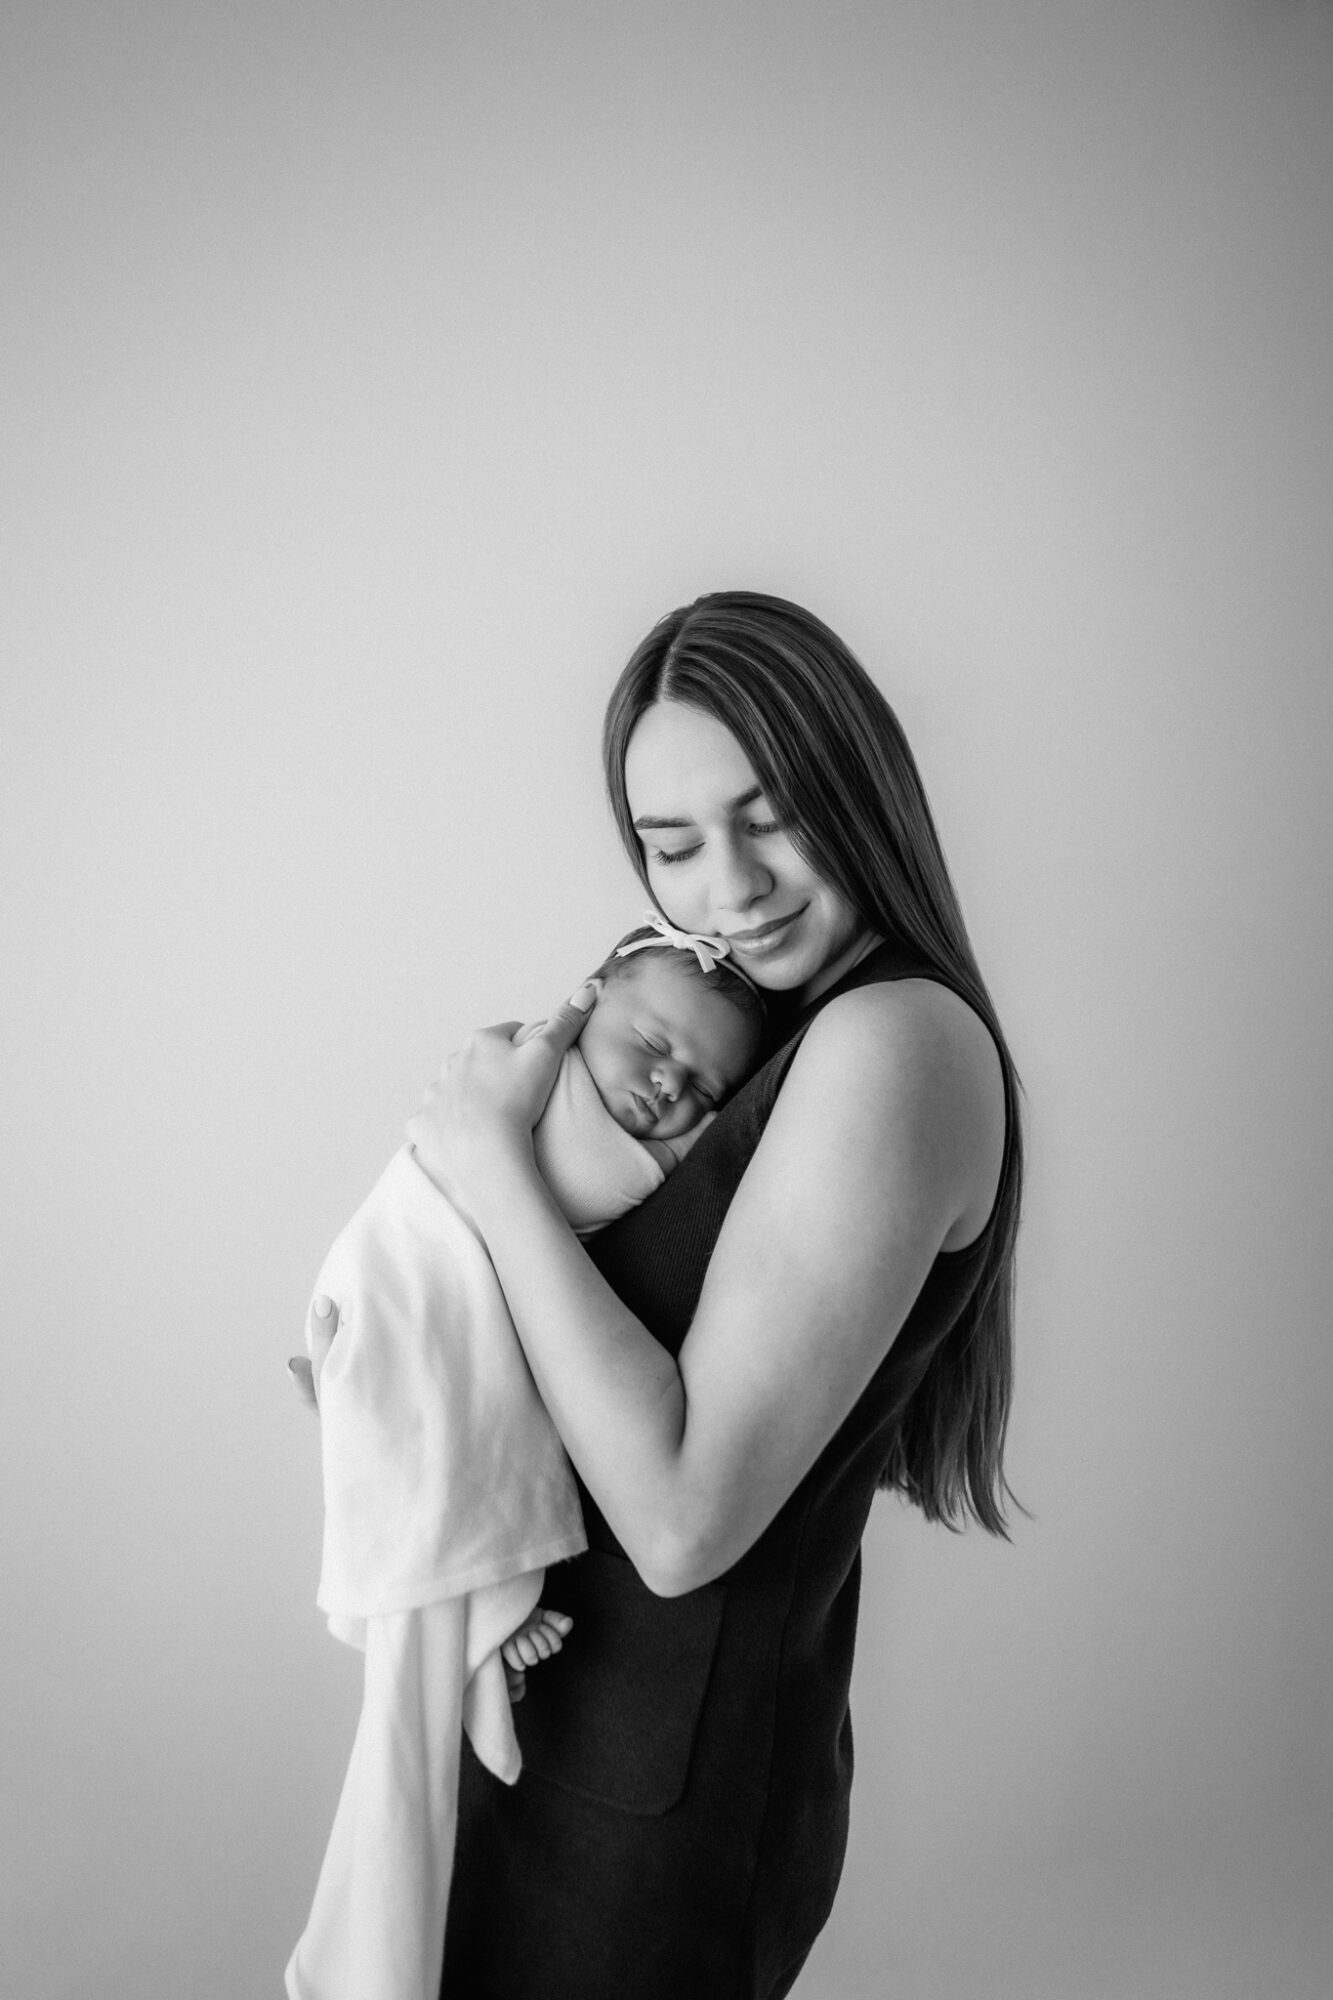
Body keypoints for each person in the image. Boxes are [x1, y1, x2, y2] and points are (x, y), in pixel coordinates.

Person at [292, 590, 1022, 2000]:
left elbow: (685, 1521)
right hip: (559, 1743)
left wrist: (490, 1166)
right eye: (672, 846)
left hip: (643, 1819)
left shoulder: (895, 1043)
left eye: (770, 817)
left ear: (860, 789)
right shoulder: (755, 1027)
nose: (728, 888)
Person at [287, 921, 764, 2000]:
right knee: (448, 1404)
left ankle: (484, 1608)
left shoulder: (537, 1110)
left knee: (468, 1417)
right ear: (585, 1000)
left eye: (703, 1088)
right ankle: (485, 1605)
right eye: (652, 1046)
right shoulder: (535, 1074)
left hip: (455, 1306)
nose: (667, 1087)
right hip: (410, 1260)